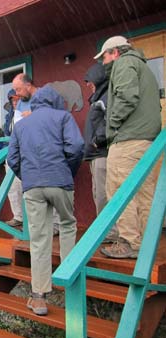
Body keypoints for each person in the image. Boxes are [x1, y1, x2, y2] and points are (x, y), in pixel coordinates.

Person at [7, 85, 84, 316]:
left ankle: (39, 296)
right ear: (55, 102)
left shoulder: (21, 125)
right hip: (60, 181)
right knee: (68, 225)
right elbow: (77, 147)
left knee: (39, 238)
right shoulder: (63, 117)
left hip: (32, 186)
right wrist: (67, 170)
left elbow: (12, 159)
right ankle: (68, 280)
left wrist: (28, 176)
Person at [94, 36, 162, 259]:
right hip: (148, 141)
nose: (103, 62)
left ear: (114, 52)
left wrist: (111, 125)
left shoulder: (124, 63)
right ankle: (147, 242)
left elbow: (126, 97)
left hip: (128, 140)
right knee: (145, 193)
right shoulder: (145, 67)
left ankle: (129, 242)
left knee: (119, 191)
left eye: (104, 56)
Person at [12, 73, 62, 235]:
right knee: (37, 192)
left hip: (49, 150)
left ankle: (58, 225)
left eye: (19, 89)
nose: (17, 93)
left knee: (53, 187)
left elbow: (58, 116)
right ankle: (44, 226)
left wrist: (33, 116)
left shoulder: (47, 95)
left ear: (28, 85)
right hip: (30, 152)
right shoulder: (21, 103)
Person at [82, 63, 118, 243]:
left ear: (97, 78)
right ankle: (104, 230)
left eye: (89, 81)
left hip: (102, 153)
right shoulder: (97, 97)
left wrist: (97, 141)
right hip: (95, 155)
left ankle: (110, 233)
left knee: (104, 193)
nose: (88, 84)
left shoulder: (105, 96)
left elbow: (110, 120)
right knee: (98, 193)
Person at [3, 89, 24, 227]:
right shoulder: (9, 117)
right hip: (11, 156)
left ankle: (30, 219)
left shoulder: (28, 113)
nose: (15, 102)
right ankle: (18, 216)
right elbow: (6, 135)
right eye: (13, 100)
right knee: (12, 188)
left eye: (18, 99)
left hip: (25, 156)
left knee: (28, 188)